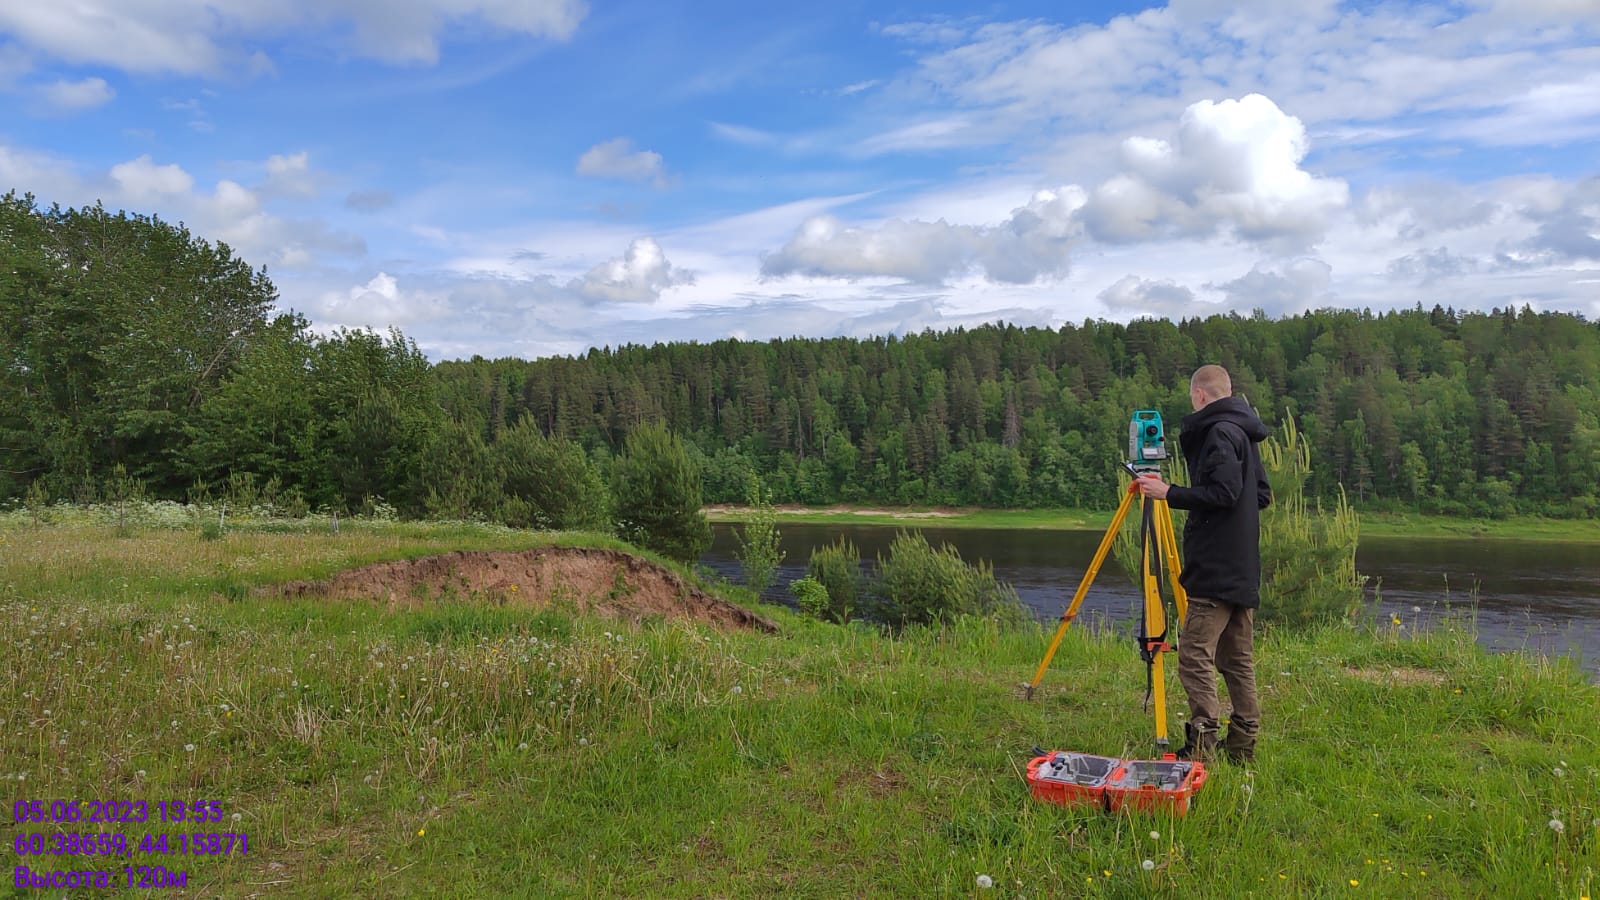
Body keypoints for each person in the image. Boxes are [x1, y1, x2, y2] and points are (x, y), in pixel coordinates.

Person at [1134, 365, 1272, 763]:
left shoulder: (1218, 432)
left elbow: (1225, 491)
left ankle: (1202, 746)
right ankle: (1243, 746)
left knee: (1195, 652)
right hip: (1243, 566)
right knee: (1237, 658)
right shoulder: (1245, 431)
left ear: (1199, 396)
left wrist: (1169, 492)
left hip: (1215, 568)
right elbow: (1259, 495)